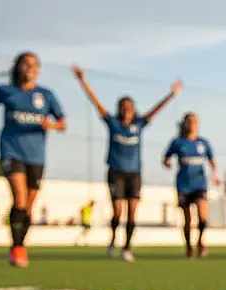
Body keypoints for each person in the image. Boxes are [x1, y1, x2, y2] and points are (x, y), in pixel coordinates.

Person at [72, 65, 181, 262]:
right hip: (116, 172)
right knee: (118, 211)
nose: (126, 110)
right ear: (119, 109)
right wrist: (83, 81)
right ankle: (113, 239)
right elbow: (96, 103)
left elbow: (155, 111)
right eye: (123, 106)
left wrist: (171, 95)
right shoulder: (113, 123)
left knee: (132, 212)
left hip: (134, 173)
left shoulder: (139, 125)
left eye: (129, 106)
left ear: (133, 109)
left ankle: (127, 247)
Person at [0, 51, 66, 268]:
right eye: (25, 64)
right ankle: (16, 249)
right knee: (20, 199)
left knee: (28, 208)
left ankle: (20, 244)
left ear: (39, 70)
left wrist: (51, 125)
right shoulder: (5, 91)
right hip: (11, 150)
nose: (29, 68)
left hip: (36, 155)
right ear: (18, 67)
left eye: (33, 65)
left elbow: (62, 122)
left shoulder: (46, 95)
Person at [163, 113, 220, 258]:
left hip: (200, 184)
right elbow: (166, 158)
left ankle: (201, 241)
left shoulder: (203, 143)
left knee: (203, 217)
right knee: (187, 219)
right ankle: (189, 247)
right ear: (185, 124)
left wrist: (215, 176)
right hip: (183, 185)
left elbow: (212, 161)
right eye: (190, 121)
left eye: (195, 121)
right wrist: (167, 163)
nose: (193, 124)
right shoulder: (178, 142)